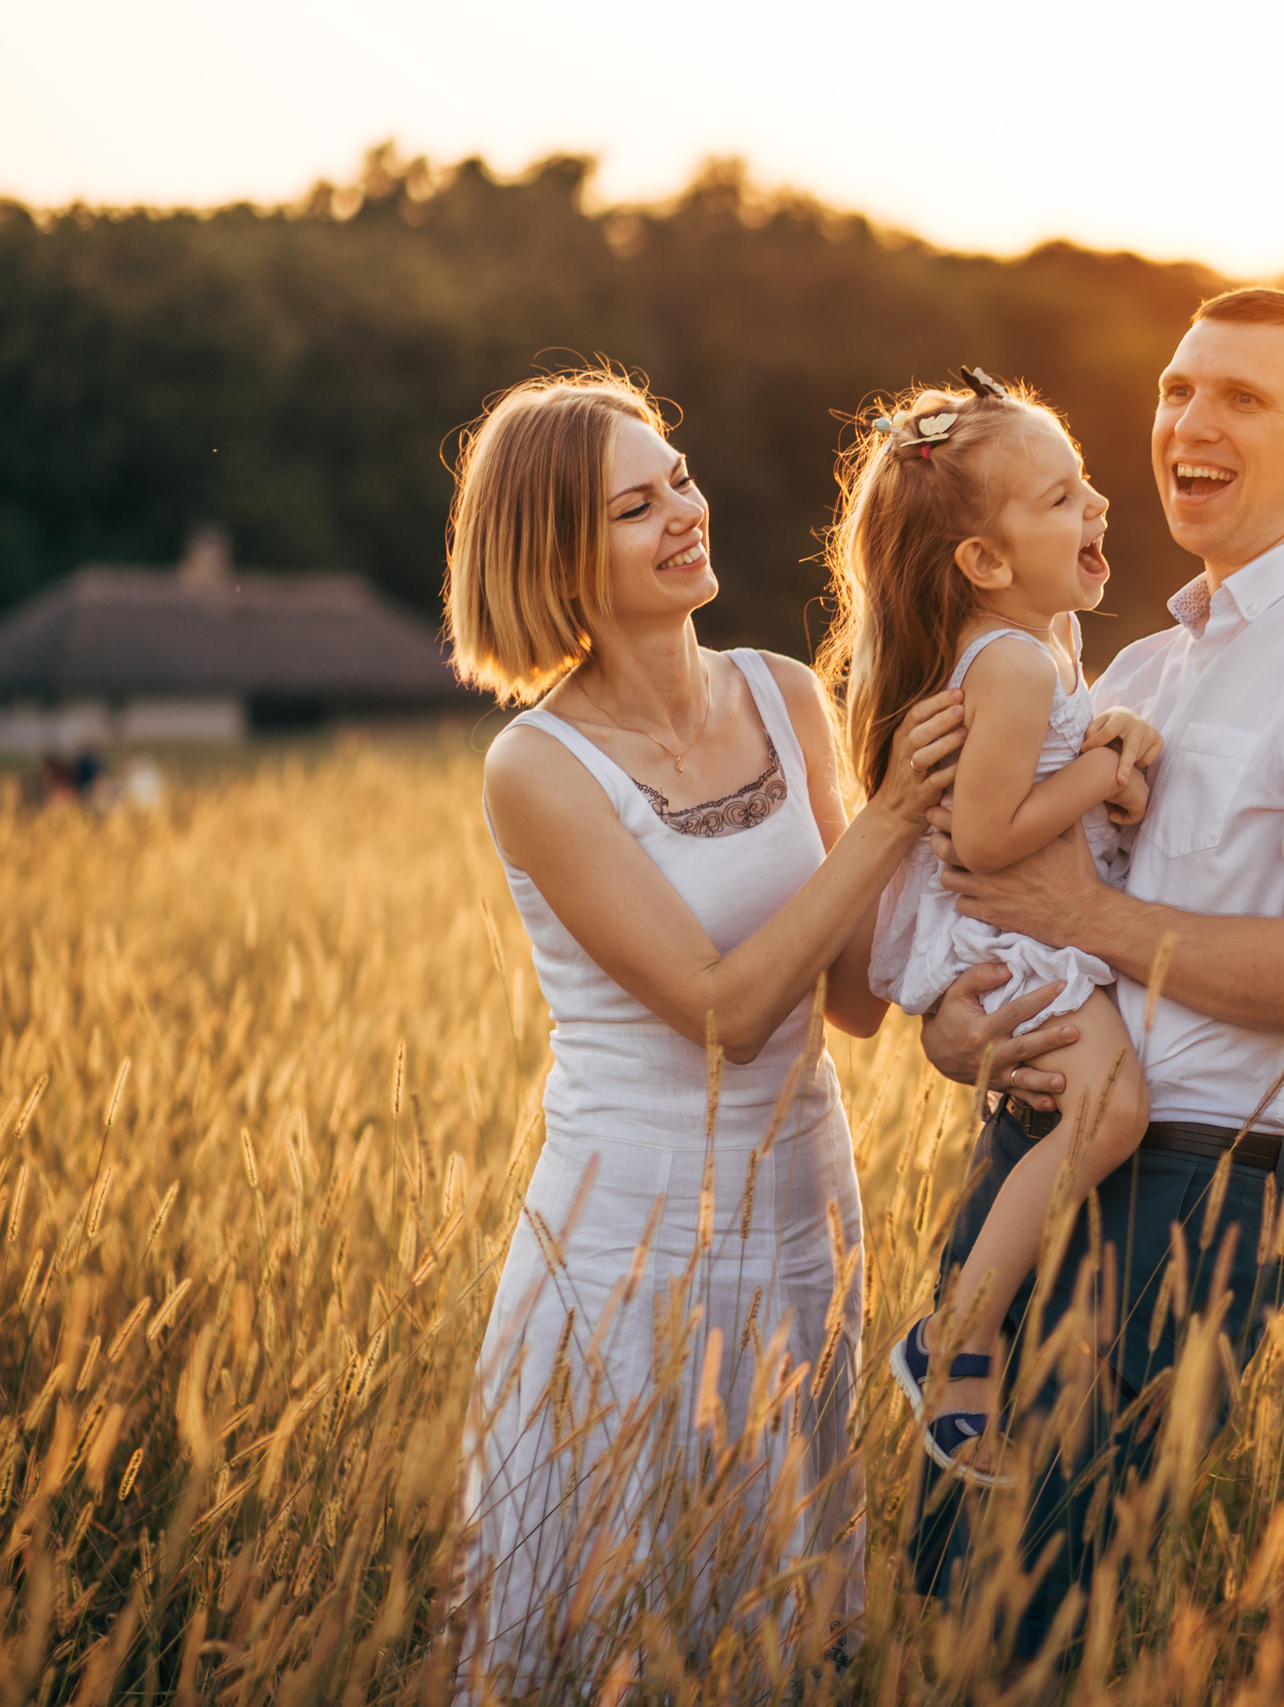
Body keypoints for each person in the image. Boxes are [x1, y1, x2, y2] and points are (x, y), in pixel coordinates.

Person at [909, 288, 1284, 1660]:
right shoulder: (1133, 663)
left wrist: (1084, 912)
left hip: (1186, 1200)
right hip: (1026, 1166)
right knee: (942, 1599)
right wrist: (961, 1022)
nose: (1190, 424)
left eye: (1243, 398)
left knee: (1041, 1619)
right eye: (1175, 391)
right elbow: (1002, 910)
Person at [444, 370, 966, 1689]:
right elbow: (726, 1009)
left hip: (803, 1214)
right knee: (615, 1606)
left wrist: (1005, 940)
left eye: (675, 475)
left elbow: (849, 998)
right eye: (635, 505)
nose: (684, 510)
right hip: (628, 1244)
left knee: (779, 1610)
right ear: (560, 557)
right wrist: (894, 814)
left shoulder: (785, 694)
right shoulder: (538, 768)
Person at [815, 370, 1164, 1485]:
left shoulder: (1035, 645)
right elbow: (987, 830)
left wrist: (1100, 753)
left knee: (1099, 1119)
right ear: (984, 562)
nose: (1095, 509)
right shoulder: (1011, 659)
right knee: (1108, 1118)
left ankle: (963, 1335)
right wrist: (1106, 769)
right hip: (1011, 936)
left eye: (1086, 487)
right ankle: (953, 1341)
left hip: (1025, 931)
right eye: (1061, 500)